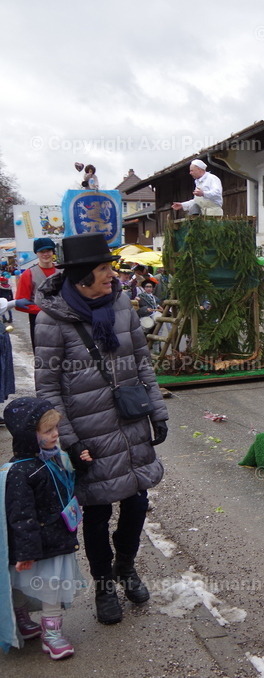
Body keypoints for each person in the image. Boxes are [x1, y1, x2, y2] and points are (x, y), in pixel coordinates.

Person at [33, 232, 169, 626]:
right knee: (96, 513)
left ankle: (126, 568)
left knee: (137, 501)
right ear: (81, 278)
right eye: (104, 269)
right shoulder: (51, 321)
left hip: (129, 422)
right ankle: (104, 585)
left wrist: (157, 411)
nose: (113, 275)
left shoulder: (122, 303)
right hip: (88, 432)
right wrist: (70, 442)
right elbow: (48, 388)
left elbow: (142, 360)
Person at [1, 398, 91, 658]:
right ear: (30, 435)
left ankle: (46, 629)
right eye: (48, 431)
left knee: (51, 586)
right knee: (29, 584)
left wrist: (81, 464)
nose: (55, 435)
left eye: (55, 429)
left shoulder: (54, 458)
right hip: (37, 544)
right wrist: (27, 551)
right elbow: (20, 515)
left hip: (57, 538)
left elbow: (68, 483)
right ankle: (47, 633)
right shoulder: (20, 472)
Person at [15, 237, 59, 349]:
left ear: (53, 252)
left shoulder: (62, 271)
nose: (45, 254)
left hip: (63, 320)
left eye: (48, 251)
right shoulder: (28, 274)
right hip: (39, 321)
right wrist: (44, 310)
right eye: (42, 251)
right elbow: (20, 303)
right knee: (44, 354)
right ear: (37, 253)